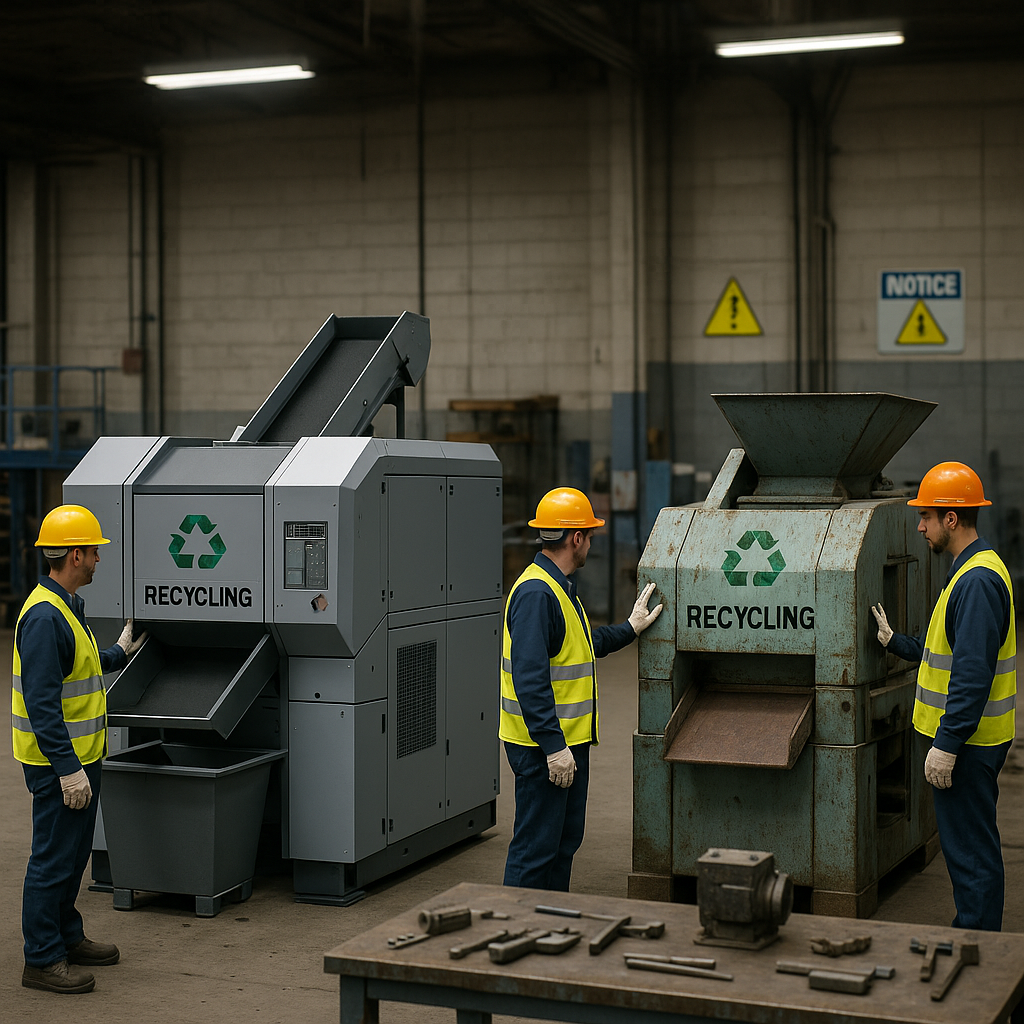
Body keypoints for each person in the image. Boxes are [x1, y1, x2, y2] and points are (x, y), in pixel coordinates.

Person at [871, 462, 1014, 932]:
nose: (919, 527)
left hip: (968, 746)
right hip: (970, 741)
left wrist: (948, 744)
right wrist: (897, 642)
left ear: (951, 519)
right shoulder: (971, 571)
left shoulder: (976, 582)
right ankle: (974, 928)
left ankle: (977, 945)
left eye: (926, 517)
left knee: (971, 852)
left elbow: (972, 676)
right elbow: (945, 653)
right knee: (969, 847)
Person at [500, 486, 662, 891]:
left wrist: (630, 628)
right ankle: (516, 928)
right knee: (536, 849)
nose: (590, 542)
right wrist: (554, 747)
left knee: (562, 844)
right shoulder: (538, 594)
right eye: (589, 535)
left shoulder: (559, 588)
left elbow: (583, 645)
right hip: (543, 748)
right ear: (575, 538)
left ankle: (550, 924)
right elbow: (530, 679)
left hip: (564, 745)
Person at [13, 504, 146, 993]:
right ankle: (41, 959)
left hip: (82, 758)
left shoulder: (67, 605)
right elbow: (44, 705)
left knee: (71, 858)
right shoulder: (44, 618)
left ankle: (66, 936)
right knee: (51, 860)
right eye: (93, 551)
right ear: (74, 554)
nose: (97, 559)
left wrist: (119, 652)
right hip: (58, 765)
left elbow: (81, 668)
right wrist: (68, 770)